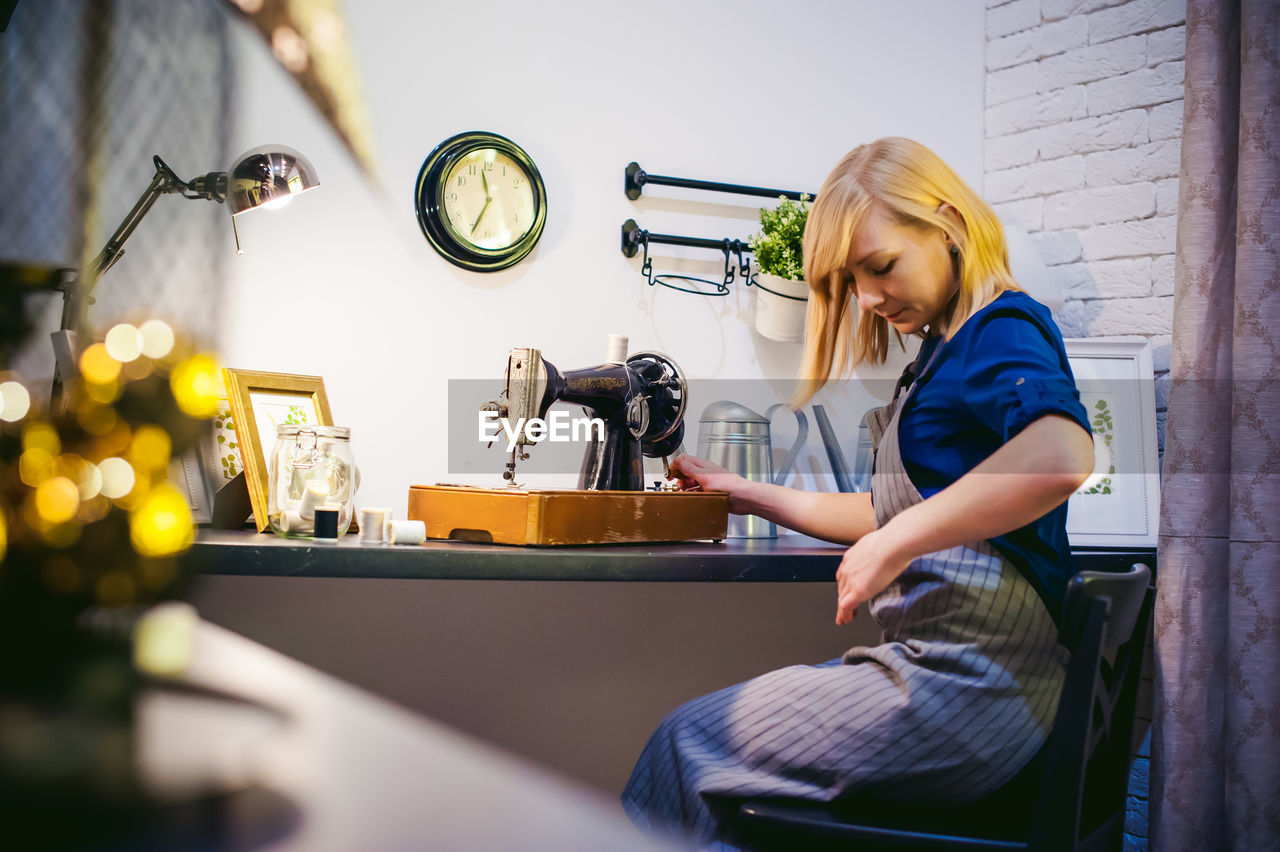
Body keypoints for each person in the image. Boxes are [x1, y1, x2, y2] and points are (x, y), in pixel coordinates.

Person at [620, 137, 1097, 848]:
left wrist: (895, 542)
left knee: (686, 740)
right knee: (725, 789)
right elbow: (887, 509)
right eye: (853, 281)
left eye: (880, 267)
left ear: (948, 226)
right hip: (969, 686)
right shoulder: (947, 348)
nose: (868, 298)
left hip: (971, 694)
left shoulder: (1000, 328)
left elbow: (1062, 454)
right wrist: (747, 493)